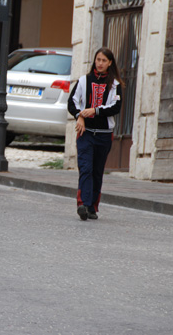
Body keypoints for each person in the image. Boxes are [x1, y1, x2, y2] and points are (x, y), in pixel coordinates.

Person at [68, 47, 124, 221]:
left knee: (97, 171)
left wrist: (95, 110)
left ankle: (92, 206)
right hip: (85, 133)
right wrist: (80, 117)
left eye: (104, 61)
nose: (100, 63)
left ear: (110, 63)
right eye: (98, 60)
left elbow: (116, 108)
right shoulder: (84, 81)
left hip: (104, 134)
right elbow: (72, 103)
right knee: (85, 168)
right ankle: (83, 205)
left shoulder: (115, 84)